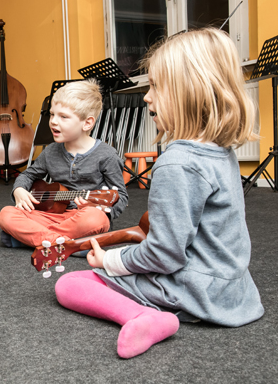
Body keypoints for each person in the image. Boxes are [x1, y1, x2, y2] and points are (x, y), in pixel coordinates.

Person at [55, 28, 265, 359]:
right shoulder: (221, 152)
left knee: (70, 285)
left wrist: (110, 260)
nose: (147, 97)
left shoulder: (176, 163)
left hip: (193, 292)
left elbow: (165, 255)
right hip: (234, 292)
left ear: (189, 92)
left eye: (155, 86)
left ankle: (144, 317)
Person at [0, 79, 128, 249]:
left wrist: (98, 207)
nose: (53, 121)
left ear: (87, 123)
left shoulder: (106, 155)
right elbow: (28, 174)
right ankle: (71, 245)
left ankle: (37, 239)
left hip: (83, 216)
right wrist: (19, 190)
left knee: (96, 219)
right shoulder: (50, 151)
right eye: (52, 114)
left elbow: (121, 197)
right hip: (51, 215)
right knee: (6, 214)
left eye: (63, 117)